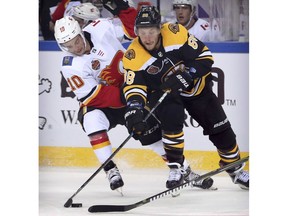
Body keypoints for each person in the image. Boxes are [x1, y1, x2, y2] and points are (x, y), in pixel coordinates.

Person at [122, 5, 249, 190]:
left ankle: (236, 171)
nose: (147, 37)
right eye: (143, 32)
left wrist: (188, 74)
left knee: (221, 130)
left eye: (151, 31)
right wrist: (134, 108)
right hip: (166, 93)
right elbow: (134, 87)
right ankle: (176, 169)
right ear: (136, 32)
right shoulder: (132, 56)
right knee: (171, 124)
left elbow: (205, 58)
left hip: (197, 90)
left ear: (159, 29)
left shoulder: (176, 33)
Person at [53, 0, 138, 192]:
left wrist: (124, 10)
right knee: (91, 120)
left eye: (76, 41)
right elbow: (94, 96)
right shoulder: (69, 65)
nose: (75, 48)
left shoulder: (101, 27)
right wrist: (128, 96)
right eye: (68, 45)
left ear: (81, 31)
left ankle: (181, 168)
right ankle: (110, 169)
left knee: (149, 130)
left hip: (132, 88)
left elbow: (134, 31)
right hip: (109, 101)